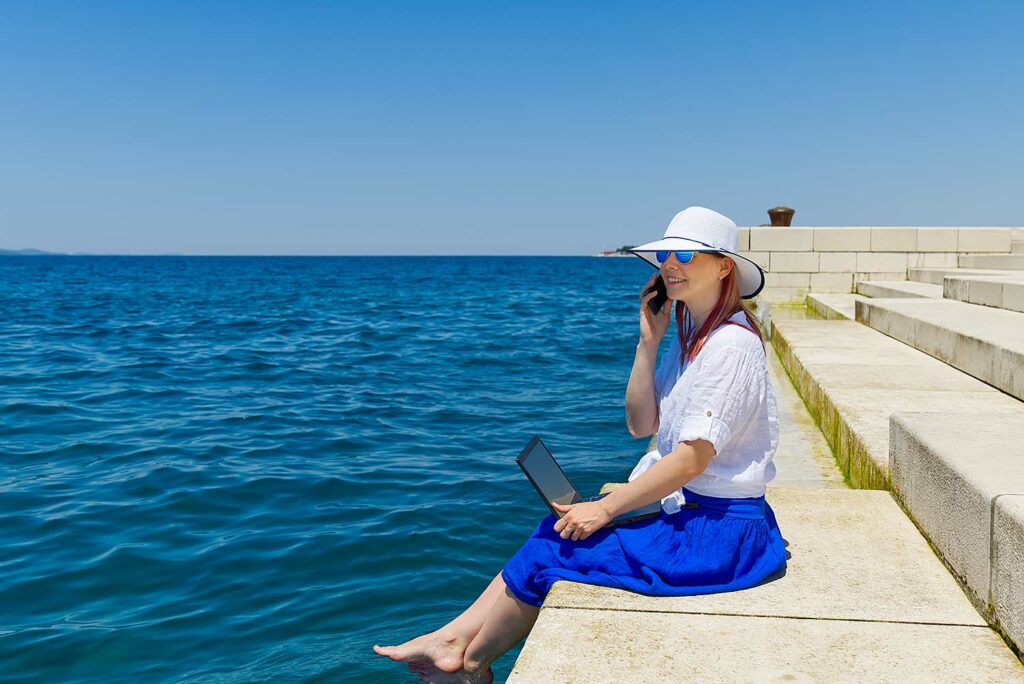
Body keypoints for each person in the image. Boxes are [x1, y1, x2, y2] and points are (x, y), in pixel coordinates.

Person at [372, 206, 786, 683]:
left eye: (685, 255)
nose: (669, 264)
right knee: (557, 528)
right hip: (695, 517)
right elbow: (641, 423)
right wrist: (647, 342)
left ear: (722, 266)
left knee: (557, 550)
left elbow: (693, 458)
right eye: (664, 255)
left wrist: (607, 510)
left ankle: (469, 663)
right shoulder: (692, 338)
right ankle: (452, 640)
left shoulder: (730, 346)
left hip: (719, 535)